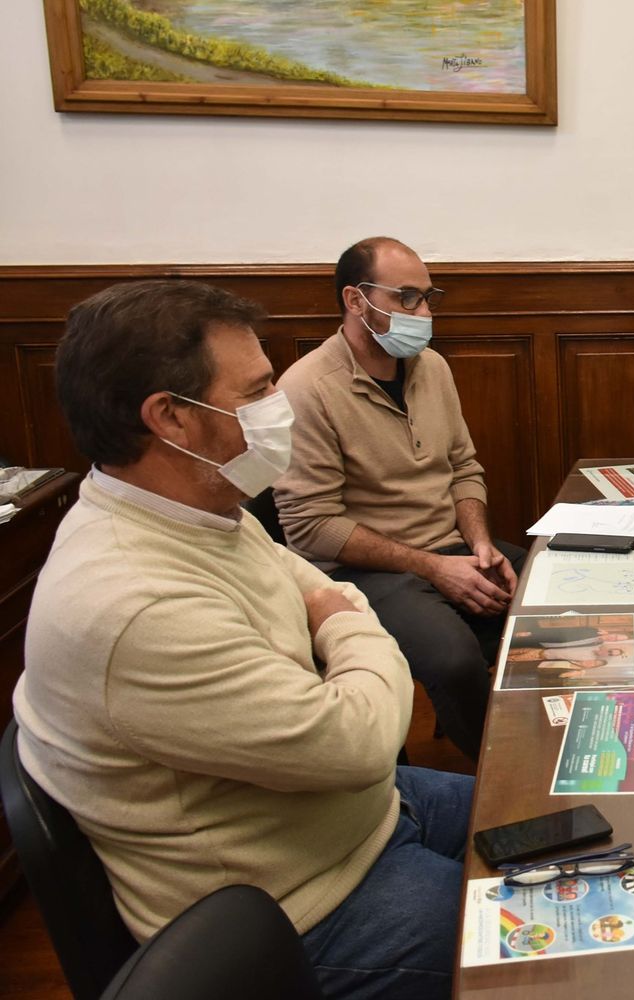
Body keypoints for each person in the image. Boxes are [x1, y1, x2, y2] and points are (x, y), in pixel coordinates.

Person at [15, 280, 471, 999]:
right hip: (305, 906)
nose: (277, 408)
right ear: (172, 418)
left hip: (356, 818)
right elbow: (358, 740)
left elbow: (324, 592)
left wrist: (334, 610)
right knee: (587, 948)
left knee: (556, 821)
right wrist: (346, 619)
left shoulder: (199, 505)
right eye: (257, 391)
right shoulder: (134, 600)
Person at [275, 236, 525, 761]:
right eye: (407, 298)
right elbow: (311, 526)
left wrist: (478, 543)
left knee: (555, 591)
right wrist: (434, 568)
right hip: (365, 573)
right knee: (454, 658)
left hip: (449, 549)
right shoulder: (308, 388)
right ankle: (506, 779)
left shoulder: (432, 368)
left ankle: (557, 741)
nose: (424, 312)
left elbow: (463, 468)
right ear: (355, 300)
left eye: (429, 297)